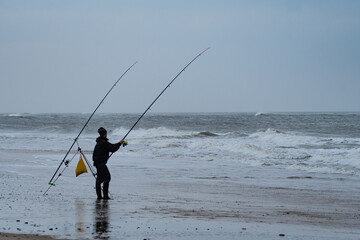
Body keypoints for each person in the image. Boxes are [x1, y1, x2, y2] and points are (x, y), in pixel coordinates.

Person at [93, 127, 125, 200]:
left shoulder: (100, 141)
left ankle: (99, 196)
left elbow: (111, 146)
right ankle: (105, 196)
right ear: (105, 134)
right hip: (100, 163)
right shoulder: (103, 142)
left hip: (97, 163)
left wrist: (119, 143)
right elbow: (112, 149)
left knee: (100, 179)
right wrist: (119, 144)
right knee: (107, 178)